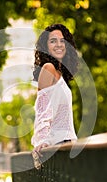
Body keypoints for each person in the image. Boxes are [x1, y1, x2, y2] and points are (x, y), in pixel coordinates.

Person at [31, 24, 78, 158]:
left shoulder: (60, 74)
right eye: (53, 41)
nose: (58, 44)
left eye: (62, 41)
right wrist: (41, 141)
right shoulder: (48, 68)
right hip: (55, 145)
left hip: (67, 144)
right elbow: (42, 109)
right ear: (46, 47)